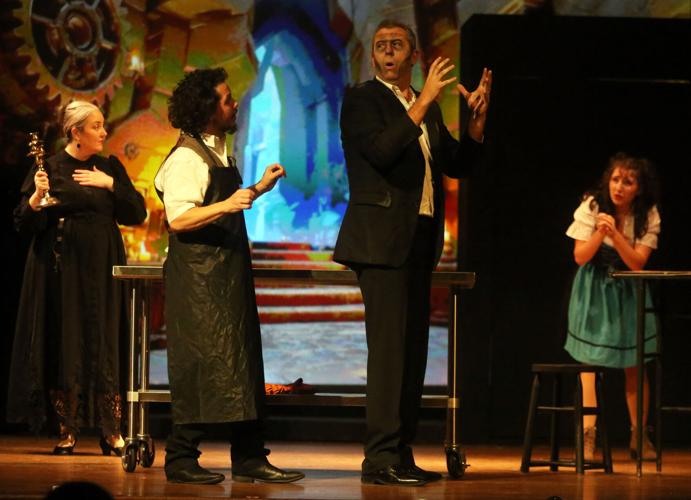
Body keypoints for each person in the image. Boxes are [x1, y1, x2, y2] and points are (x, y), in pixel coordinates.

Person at [333, 19, 492, 486]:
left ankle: (401, 453)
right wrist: (422, 103)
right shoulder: (362, 99)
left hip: (419, 240)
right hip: (380, 242)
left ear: (414, 56)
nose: (387, 52)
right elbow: (382, 151)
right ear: (373, 56)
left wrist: (476, 124)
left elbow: (456, 165)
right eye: (381, 45)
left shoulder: (427, 108)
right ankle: (379, 458)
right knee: (389, 353)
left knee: (413, 353)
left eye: (397, 45)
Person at [154, 68, 304, 485]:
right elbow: (179, 219)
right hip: (199, 281)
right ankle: (181, 458)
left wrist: (258, 188)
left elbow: (226, 201)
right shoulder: (187, 158)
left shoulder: (217, 151)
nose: (234, 103)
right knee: (202, 365)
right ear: (207, 109)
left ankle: (250, 456)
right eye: (226, 98)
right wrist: (230, 204)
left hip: (225, 274)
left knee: (242, 363)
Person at [7, 101, 147, 455]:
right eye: (96, 126)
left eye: (102, 125)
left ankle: (111, 431)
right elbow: (24, 222)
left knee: (105, 340)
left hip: (103, 267)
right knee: (66, 340)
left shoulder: (109, 167)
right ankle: (67, 430)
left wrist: (110, 184)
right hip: (63, 269)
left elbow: (136, 212)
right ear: (76, 132)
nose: (103, 132)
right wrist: (36, 198)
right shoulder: (50, 168)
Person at [564, 152, 661, 461]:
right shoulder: (593, 206)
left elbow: (637, 263)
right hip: (594, 289)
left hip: (629, 289)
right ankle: (587, 435)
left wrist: (616, 234)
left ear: (639, 188)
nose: (619, 187)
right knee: (588, 365)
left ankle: (639, 436)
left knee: (635, 364)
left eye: (628, 182)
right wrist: (599, 233)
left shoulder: (647, 215)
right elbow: (580, 257)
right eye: (616, 179)